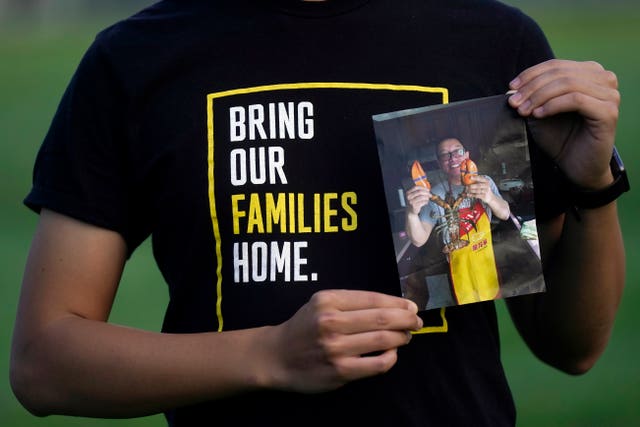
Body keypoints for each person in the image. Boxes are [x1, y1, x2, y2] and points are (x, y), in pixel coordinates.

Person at [10, 1, 626, 426]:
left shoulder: (492, 41)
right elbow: (44, 362)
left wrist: (592, 185)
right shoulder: (137, 58)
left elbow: (570, 345)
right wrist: (271, 356)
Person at [405, 137, 511, 305]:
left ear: (467, 154)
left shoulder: (484, 182)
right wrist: (411, 213)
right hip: (457, 265)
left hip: (487, 259)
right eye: (445, 155)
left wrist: (489, 197)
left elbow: (505, 214)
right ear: (440, 163)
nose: (452, 158)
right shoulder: (432, 194)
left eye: (457, 151)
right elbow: (418, 240)